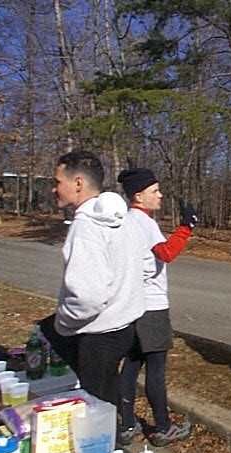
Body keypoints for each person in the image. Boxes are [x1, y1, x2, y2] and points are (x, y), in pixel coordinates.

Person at [40, 150, 146, 408]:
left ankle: (109, 443)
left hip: (98, 335)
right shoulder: (124, 219)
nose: (54, 189)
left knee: (98, 411)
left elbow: (88, 298)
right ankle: (120, 432)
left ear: (78, 183)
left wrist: (62, 323)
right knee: (108, 398)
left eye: (57, 182)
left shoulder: (86, 227)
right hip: (124, 326)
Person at [116, 168, 196, 447]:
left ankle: (127, 425)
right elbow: (167, 252)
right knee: (155, 369)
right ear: (139, 196)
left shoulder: (126, 221)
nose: (160, 195)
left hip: (133, 304)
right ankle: (163, 427)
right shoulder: (143, 222)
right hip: (151, 306)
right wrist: (187, 226)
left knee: (131, 365)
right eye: (155, 191)